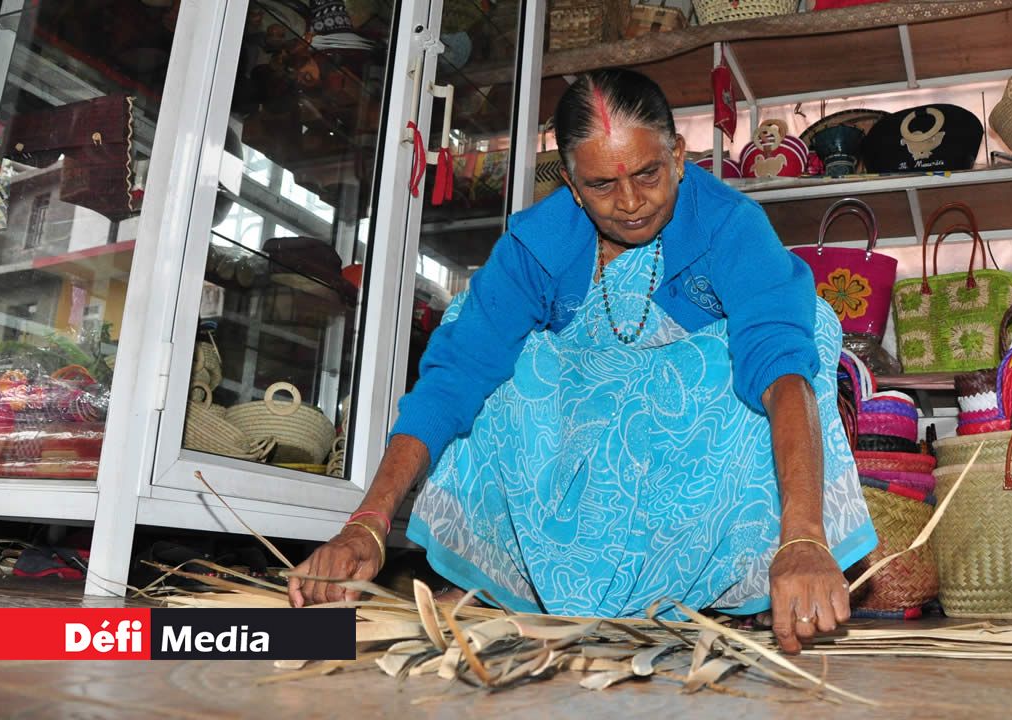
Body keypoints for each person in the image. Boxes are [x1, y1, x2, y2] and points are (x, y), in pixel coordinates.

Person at [288, 69, 876, 654]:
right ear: (570, 183)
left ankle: (716, 587)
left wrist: (804, 537)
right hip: (580, 448)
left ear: (678, 154)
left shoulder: (729, 227)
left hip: (687, 454)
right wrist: (367, 523)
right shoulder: (537, 246)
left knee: (806, 331)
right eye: (600, 185)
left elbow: (779, 370)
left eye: (648, 173)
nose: (629, 203)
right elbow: (453, 380)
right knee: (475, 333)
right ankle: (521, 587)